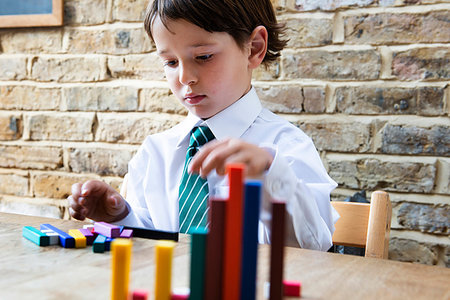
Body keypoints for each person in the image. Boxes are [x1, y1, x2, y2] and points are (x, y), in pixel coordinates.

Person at [68, 0, 338, 251]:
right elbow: (151, 241)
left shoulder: (284, 146)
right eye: (171, 62)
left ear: (254, 48)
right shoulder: (156, 152)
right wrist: (120, 217)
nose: (185, 77)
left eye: (204, 56)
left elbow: (313, 246)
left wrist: (270, 171)